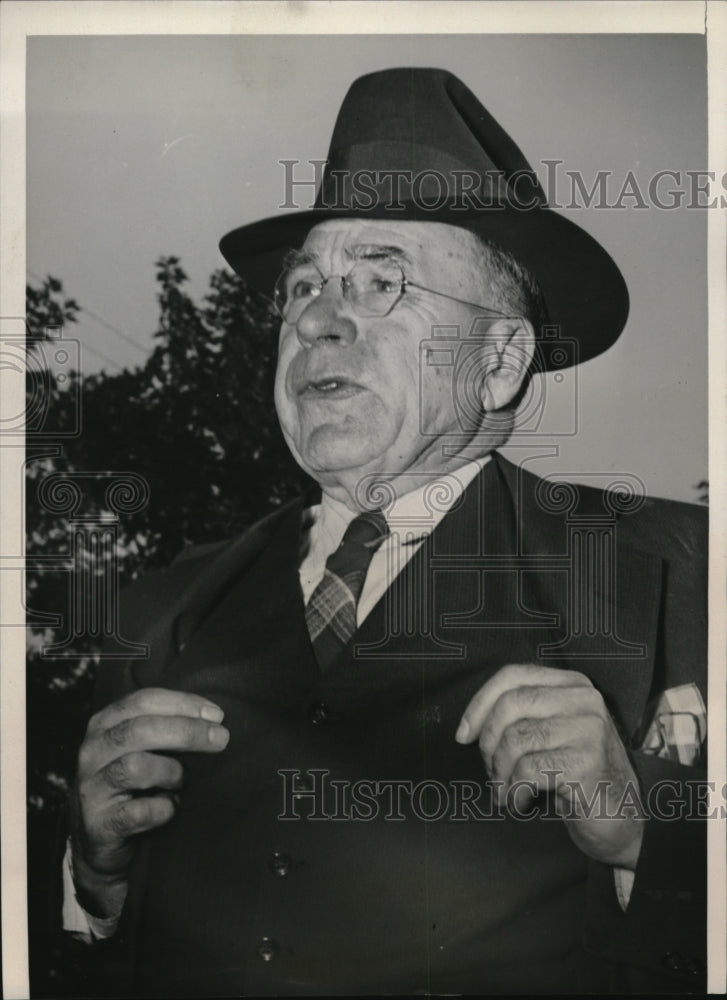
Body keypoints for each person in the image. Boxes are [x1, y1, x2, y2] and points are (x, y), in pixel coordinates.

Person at [60, 68, 707, 996]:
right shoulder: (159, 610)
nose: (320, 319)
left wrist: (647, 840)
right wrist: (97, 876)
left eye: (380, 282)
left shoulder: (683, 578)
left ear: (498, 360)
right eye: (304, 288)